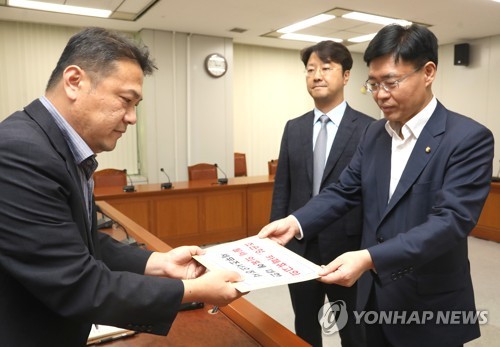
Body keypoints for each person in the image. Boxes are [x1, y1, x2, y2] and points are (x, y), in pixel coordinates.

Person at [0, 27, 243, 347]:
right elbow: (77, 285)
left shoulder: (56, 146)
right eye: (126, 100)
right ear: (74, 81)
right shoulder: (20, 151)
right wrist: (193, 291)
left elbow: (81, 242)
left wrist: (159, 262)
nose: (132, 119)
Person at [259, 23, 494, 347]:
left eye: (391, 82)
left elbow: (450, 223)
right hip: (372, 299)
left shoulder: (467, 138)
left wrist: (369, 257)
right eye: (373, 84)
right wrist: (295, 221)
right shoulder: (374, 134)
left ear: (428, 72)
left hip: (427, 306)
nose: (381, 95)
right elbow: (344, 191)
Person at [270, 40, 373, 347]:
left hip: (347, 250)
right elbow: (282, 188)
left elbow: (371, 196)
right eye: (310, 69)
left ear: (346, 76)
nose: (316, 75)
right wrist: (277, 246)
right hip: (299, 249)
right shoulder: (294, 128)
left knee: (354, 329)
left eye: (326, 68)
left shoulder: (370, 129)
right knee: (305, 325)